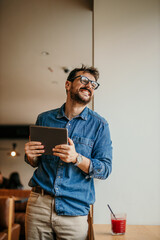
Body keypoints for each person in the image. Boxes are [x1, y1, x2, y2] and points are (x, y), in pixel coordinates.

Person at [24, 65, 112, 240]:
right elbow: (36, 162)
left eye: (94, 84)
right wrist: (30, 156)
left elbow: (105, 169)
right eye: (84, 80)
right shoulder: (44, 119)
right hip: (39, 206)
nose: (89, 86)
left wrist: (76, 158)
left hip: (75, 211)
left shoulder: (100, 125)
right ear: (67, 84)